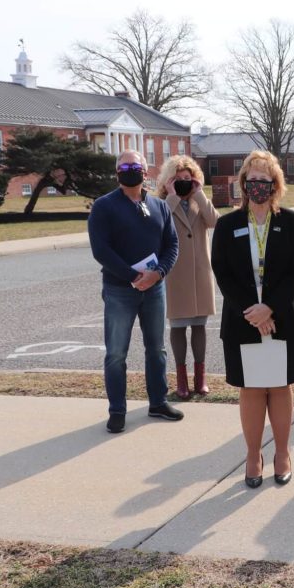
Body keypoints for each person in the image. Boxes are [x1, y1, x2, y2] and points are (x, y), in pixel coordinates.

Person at [211, 151, 294, 487]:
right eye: (251, 180)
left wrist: (271, 309)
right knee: (251, 389)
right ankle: (253, 455)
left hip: (282, 321)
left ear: (275, 185)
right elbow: (222, 274)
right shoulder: (227, 225)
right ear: (243, 184)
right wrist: (253, 312)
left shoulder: (292, 222)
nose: (257, 187)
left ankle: (282, 452)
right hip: (243, 322)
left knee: (280, 387)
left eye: (264, 181)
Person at [88, 149, 184, 434]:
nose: (130, 169)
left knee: (157, 348)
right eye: (124, 165)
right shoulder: (104, 207)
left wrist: (158, 273)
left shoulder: (160, 206)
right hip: (120, 290)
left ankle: (158, 402)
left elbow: (172, 245)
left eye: (135, 165)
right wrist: (133, 276)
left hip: (155, 289)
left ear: (146, 172)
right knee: (116, 353)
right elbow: (100, 250)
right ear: (117, 172)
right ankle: (117, 410)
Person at [156, 155, 220, 400]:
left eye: (187, 178)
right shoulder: (162, 203)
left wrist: (199, 194)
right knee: (179, 327)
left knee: (199, 326)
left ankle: (200, 378)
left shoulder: (199, 202)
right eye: (178, 179)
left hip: (200, 273)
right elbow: (159, 223)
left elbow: (215, 221)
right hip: (175, 276)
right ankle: (181, 379)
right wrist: (172, 194)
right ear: (167, 181)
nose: (183, 183)